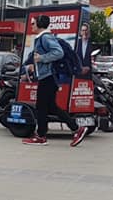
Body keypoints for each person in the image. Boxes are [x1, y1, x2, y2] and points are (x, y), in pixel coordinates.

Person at [23, 14, 87, 147]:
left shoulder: (45, 37)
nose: (31, 26)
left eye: (33, 23)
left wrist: (41, 59)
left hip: (48, 77)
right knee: (50, 106)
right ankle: (76, 129)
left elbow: (58, 53)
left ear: (40, 25)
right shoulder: (42, 37)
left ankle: (41, 136)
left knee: (41, 106)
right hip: (48, 77)